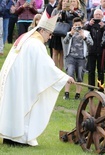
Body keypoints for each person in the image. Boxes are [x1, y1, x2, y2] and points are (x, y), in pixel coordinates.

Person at [0, 11, 75, 146]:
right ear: (42, 30)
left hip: (15, 78)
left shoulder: (25, 38)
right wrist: (64, 77)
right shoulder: (36, 43)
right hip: (21, 79)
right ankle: (18, 138)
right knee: (21, 105)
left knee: (15, 105)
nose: (50, 37)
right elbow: (46, 67)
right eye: (49, 34)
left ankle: (10, 136)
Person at [62, 17, 93, 100]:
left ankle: (77, 94)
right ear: (73, 25)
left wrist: (84, 37)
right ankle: (66, 93)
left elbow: (91, 43)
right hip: (70, 57)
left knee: (80, 76)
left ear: (82, 25)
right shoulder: (70, 33)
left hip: (81, 58)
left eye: (79, 25)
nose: (77, 27)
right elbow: (65, 41)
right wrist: (70, 34)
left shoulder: (86, 33)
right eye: (75, 25)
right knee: (69, 74)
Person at [84, 9, 105, 90]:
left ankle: (100, 87)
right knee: (91, 70)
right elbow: (84, 32)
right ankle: (91, 87)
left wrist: (103, 28)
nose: (98, 16)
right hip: (91, 51)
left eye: (99, 14)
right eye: (96, 14)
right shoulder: (89, 25)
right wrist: (89, 25)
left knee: (101, 71)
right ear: (93, 16)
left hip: (101, 51)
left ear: (102, 16)